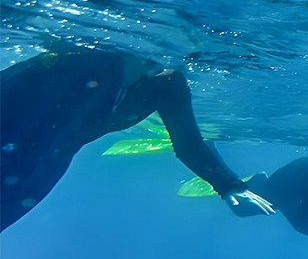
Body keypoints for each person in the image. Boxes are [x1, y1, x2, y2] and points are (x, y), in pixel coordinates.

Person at [1, 45, 273, 232]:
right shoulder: (85, 56)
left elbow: (188, 143)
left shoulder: (169, 86)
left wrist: (228, 186)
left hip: (44, 166)